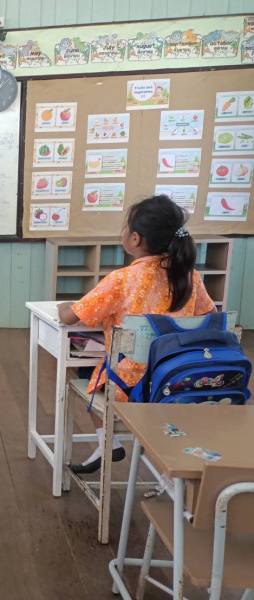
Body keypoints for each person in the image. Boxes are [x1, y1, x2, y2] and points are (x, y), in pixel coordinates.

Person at [57, 196, 215, 474]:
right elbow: (210, 316)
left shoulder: (122, 279)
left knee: (85, 368)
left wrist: (63, 305)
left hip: (132, 387)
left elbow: (70, 317)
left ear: (135, 238)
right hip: (179, 379)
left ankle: (108, 440)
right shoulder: (190, 277)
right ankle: (117, 445)